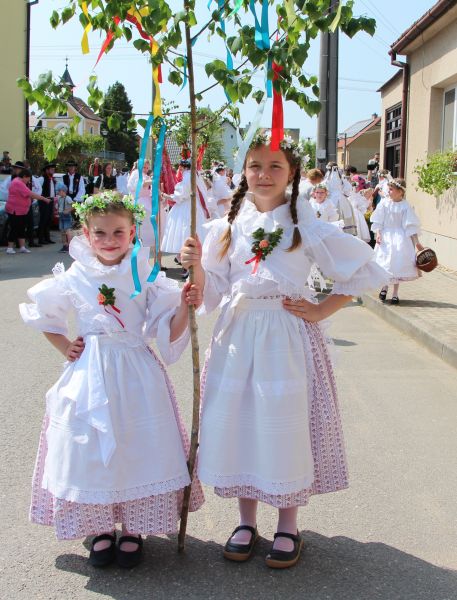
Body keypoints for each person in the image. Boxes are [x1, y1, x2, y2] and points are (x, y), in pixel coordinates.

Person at [181, 131, 388, 569]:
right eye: (255, 165)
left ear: (292, 172)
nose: (264, 174)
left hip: (285, 339)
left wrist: (321, 309)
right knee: (243, 426)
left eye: (275, 166)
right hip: (237, 338)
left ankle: (288, 524)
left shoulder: (304, 225)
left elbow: (364, 269)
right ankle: (245, 521)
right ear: (243, 171)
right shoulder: (226, 227)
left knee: (283, 428)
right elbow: (213, 288)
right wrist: (196, 269)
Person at [19, 191, 204, 568]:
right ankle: (100, 526)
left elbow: (166, 325)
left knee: (136, 444)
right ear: (86, 235)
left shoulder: (145, 272)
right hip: (90, 370)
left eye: (118, 232)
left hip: (136, 369)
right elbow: (44, 313)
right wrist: (65, 345)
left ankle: (134, 528)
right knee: (90, 446)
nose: (109, 240)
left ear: (132, 232)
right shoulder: (77, 274)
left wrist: (185, 307)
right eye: (100, 233)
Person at [371, 178, 423, 305]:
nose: (388, 191)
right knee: (385, 263)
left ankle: (395, 293)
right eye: (389, 189)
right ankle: (384, 287)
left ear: (400, 192)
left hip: (400, 238)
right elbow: (379, 220)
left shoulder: (405, 206)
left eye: (391, 189)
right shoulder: (384, 203)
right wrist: (378, 233)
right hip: (386, 236)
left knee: (397, 264)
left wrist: (417, 243)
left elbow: (410, 225)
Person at [161, 159, 210, 279]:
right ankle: (185, 263)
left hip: (186, 208)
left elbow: (179, 196)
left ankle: (185, 266)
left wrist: (164, 195)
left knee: (183, 233)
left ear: (183, 167)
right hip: (193, 206)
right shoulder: (195, 175)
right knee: (188, 233)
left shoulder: (188, 176)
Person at [5, 168, 49, 254]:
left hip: (22, 210)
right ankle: (9, 248)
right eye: (28, 179)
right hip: (15, 210)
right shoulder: (18, 183)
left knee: (21, 228)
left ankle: (22, 247)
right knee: (14, 228)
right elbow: (30, 194)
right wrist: (44, 199)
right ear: (24, 176)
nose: (29, 181)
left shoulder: (19, 181)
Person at [36, 163, 57, 245]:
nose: (53, 171)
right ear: (47, 170)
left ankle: (47, 238)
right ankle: (41, 239)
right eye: (51, 169)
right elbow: (37, 189)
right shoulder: (42, 178)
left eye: (54, 169)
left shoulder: (51, 179)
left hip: (50, 200)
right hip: (44, 201)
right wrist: (41, 198)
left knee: (48, 220)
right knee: (43, 220)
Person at [56, 182, 73, 253]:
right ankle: (65, 245)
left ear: (63, 191)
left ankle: (70, 245)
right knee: (62, 231)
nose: (58, 192)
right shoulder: (59, 199)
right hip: (61, 215)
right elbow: (59, 207)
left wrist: (68, 210)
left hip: (67, 216)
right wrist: (58, 212)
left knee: (67, 231)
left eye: (59, 191)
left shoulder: (68, 198)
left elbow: (73, 205)